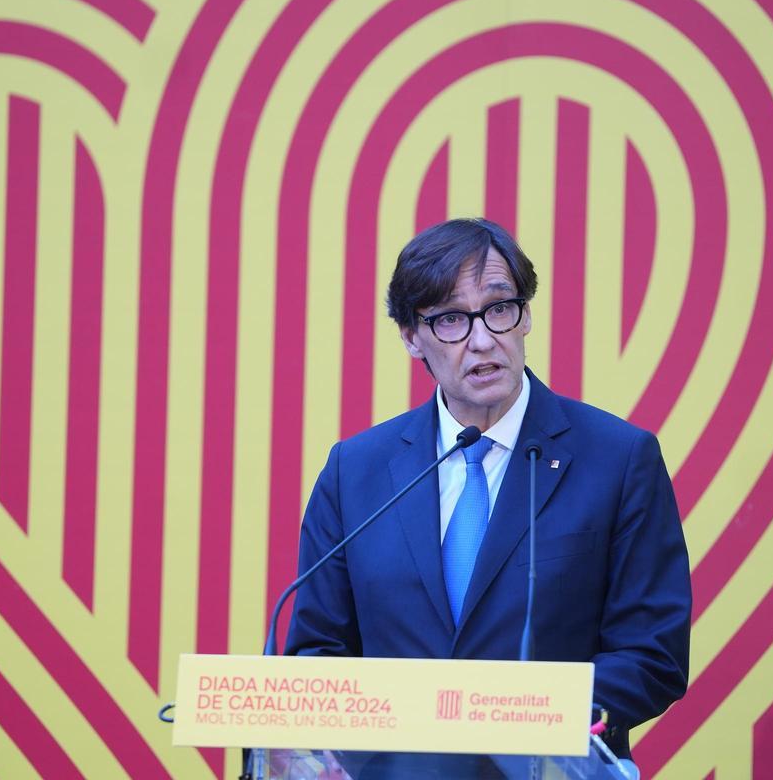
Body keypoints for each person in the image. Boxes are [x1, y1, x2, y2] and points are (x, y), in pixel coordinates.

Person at [285, 218, 690, 772]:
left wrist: (534, 718)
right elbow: (317, 653)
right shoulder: (355, 472)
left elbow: (652, 654)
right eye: (451, 319)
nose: (482, 339)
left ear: (525, 316)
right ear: (410, 336)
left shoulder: (617, 459)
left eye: (500, 308)